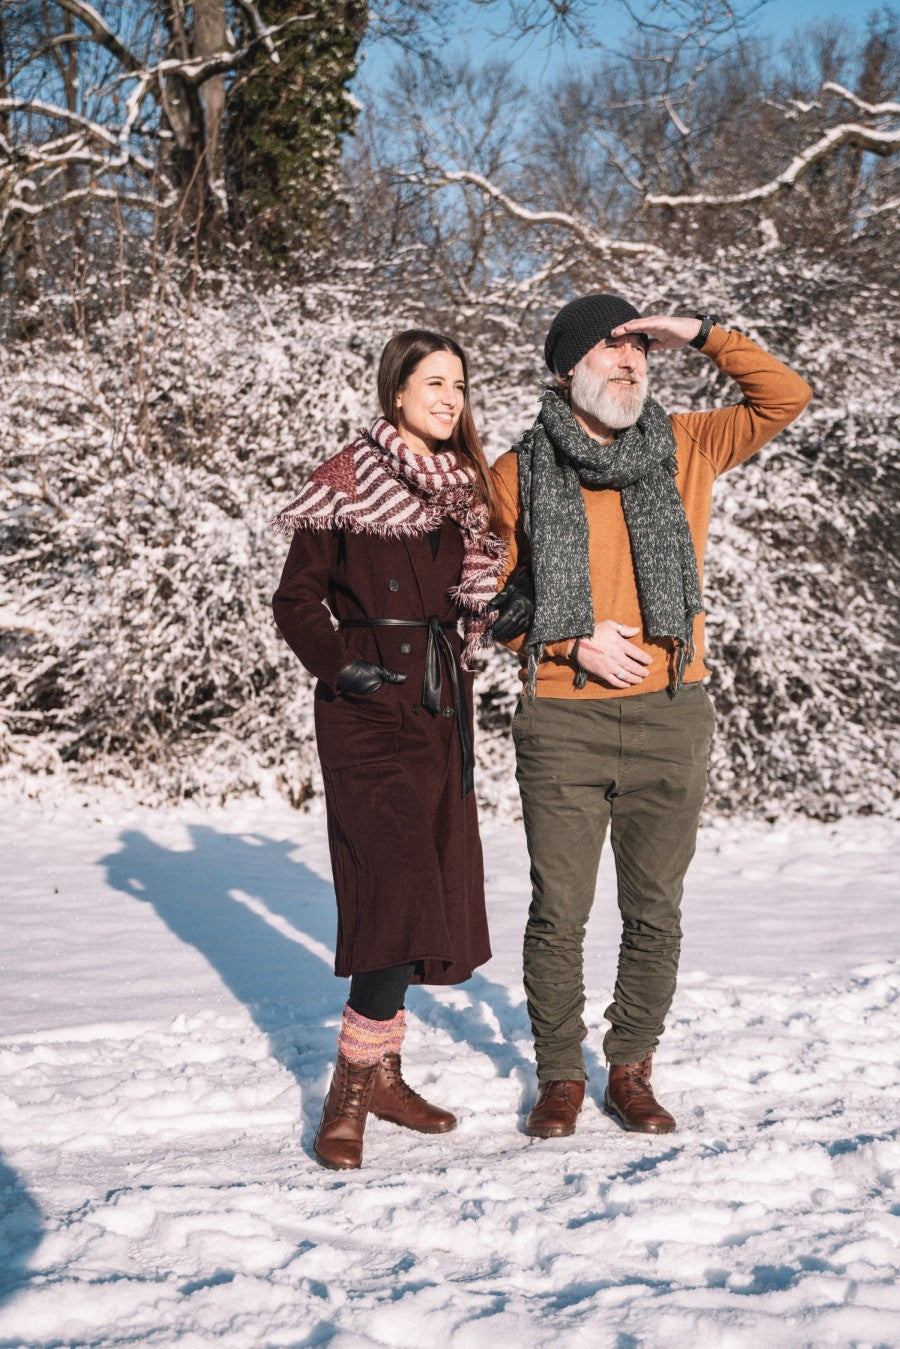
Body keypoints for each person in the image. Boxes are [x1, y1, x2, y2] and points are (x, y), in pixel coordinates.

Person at [490, 295, 812, 1138]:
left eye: (639, 349)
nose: (630, 361)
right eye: (609, 349)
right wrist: (568, 638)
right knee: (559, 909)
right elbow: (482, 598)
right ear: (566, 369)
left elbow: (786, 396)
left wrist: (697, 333)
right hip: (563, 717)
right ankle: (560, 1074)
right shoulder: (516, 472)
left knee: (655, 908)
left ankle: (631, 1067)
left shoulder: (687, 445)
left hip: (673, 711)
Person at [271, 329, 505, 1170]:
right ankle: (350, 1091)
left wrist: (499, 610)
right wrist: (342, 666)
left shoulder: (464, 494)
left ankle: (389, 1074)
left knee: (426, 888)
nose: (451, 397)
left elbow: (476, 594)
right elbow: (294, 599)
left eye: (461, 384)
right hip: (367, 713)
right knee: (394, 889)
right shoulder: (343, 481)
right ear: (396, 393)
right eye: (435, 382)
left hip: (442, 709)